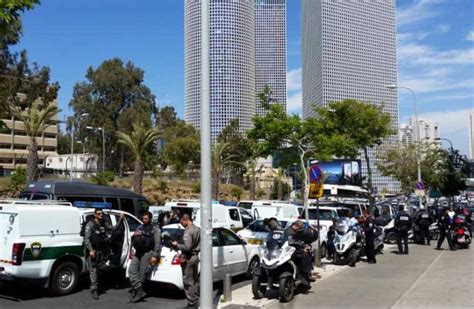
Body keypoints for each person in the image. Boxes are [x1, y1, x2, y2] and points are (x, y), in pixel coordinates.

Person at [84, 208, 125, 300]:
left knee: (99, 269)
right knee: (93, 269)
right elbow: (86, 239)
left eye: (102, 214)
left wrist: (120, 219)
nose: (101, 215)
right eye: (99, 214)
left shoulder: (103, 223)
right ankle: (94, 289)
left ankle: (97, 285)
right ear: (95, 215)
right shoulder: (90, 224)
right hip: (93, 251)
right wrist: (90, 250)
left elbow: (113, 228)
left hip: (101, 251)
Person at [128, 211, 162, 303]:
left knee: (142, 274)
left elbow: (158, 244)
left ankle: (138, 292)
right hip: (138, 252)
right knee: (131, 270)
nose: (144, 220)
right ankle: (139, 290)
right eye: (143, 218)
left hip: (147, 253)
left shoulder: (155, 229)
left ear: (150, 219)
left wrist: (155, 255)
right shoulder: (140, 227)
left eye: (146, 219)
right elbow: (134, 238)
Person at [171, 214, 201, 309]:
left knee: (188, 281)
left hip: (188, 258)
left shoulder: (188, 231)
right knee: (194, 280)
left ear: (186, 220)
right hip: (195, 257)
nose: (181, 224)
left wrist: (176, 245)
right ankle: (195, 300)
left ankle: (192, 303)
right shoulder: (197, 229)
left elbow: (187, 247)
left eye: (182, 222)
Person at [284, 221, 316, 289]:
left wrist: (305, 246)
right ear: (295, 226)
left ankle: (306, 273)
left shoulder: (297, 232)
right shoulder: (289, 232)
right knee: (304, 256)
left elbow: (302, 240)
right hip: (290, 251)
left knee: (307, 253)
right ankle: (302, 274)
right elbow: (291, 242)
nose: (299, 230)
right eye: (299, 228)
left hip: (296, 249)